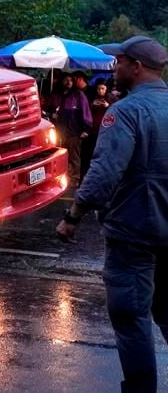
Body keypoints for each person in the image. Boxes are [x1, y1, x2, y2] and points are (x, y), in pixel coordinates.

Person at [56, 35, 168, 392]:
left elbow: (104, 173)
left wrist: (73, 214)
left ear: (136, 67)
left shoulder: (126, 112)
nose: (113, 67)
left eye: (118, 62)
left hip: (134, 232)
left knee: (131, 317)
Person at [52, 71, 92, 188]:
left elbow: (86, 112)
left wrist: (86, 129)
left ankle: (74, 179)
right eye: (66, 80)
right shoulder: (58, 95)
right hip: (60, 131)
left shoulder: (78, 95)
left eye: (70, 80)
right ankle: (63, 176)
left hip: (75, 131)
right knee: (61, 156)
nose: (68, 82)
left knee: (74, 157)